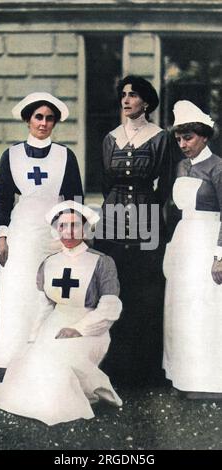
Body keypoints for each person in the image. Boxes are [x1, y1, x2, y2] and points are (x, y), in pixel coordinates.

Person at [0, 200, 122, 425]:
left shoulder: (102, 262)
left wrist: (78, 329)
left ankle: (83, 392)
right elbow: (44, 307)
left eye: (74, 225)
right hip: (55, 324)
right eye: (62, 226)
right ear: (55, 229)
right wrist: (33, 338)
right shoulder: (49, 263)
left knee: (58, 364)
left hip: (90, 328)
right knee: (30, 363)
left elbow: (110, 308)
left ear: (85, 228)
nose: (68, 231)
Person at [94, 75, 182, 385]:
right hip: (114, 217)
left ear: (145, 102)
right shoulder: (110, 138)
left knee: (147, 290)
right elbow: (106, 183)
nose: (126, 100)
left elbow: (169, 185)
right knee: (113, 285)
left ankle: (145, 370)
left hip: (148, 215)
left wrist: (153, 215)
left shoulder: (160, 137)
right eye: (124, 95)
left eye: (133, 95)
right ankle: (112, 368)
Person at [0, 92, 83, 372]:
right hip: (22, 234)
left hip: (54, 235)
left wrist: (72, 238)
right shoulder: (12, 155)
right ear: (28, 119)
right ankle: (12, 359)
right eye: (38, 117)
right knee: (18, 294)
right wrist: (2, 237)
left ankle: (49, 359)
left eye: (49, 118)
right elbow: (3, 200)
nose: (43, 123)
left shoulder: (65, 155)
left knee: (52, 294)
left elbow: (75, 200)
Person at [163, 100, 222, 398]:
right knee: (181, 309)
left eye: (189, 138)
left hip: (209, 239)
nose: (184, 145)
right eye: (179, 139)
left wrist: (220, 256)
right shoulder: (181, 166)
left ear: (205, 137)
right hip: (185, 240)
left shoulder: (218, 167)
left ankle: (209, 382)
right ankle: (182, 378)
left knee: (206, 308)